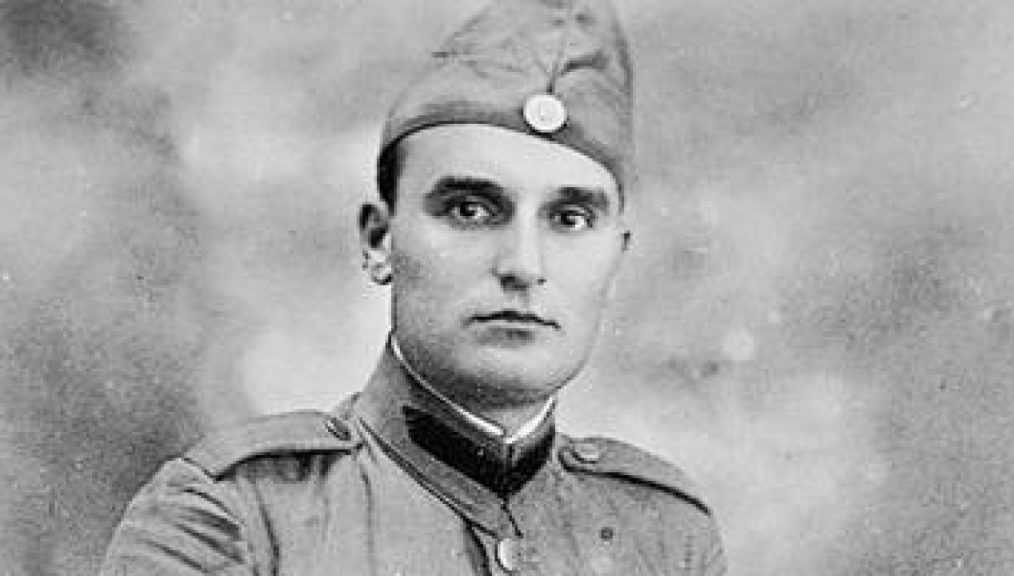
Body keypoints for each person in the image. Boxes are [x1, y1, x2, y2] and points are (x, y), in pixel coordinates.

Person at [100, 0, 727, 573]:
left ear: (615, 260)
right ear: (379, 240)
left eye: (569, 219)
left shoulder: (664, 537)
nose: (523, 264)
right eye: (471, 210)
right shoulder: (234, 516)